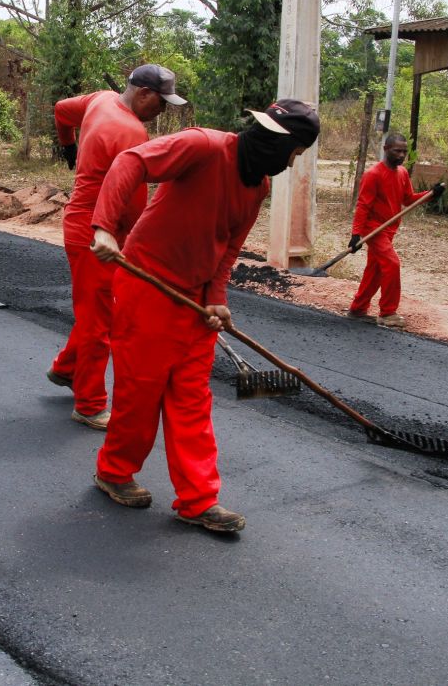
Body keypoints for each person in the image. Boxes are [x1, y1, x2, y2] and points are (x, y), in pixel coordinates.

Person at [90, 100, 320, 533]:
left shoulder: (258, 187)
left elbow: (229, 245)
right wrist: (104, 225)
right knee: (142, 393)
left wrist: (216, 297)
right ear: (280, 142)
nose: (292, 164)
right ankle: (114, 472)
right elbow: (130, 161)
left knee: (191, 399)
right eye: (295, 153)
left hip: (194, 298)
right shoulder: (204, 146)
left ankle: (198, 499)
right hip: (147, 283)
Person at [47, 64, 179, 430]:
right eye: (162, 103)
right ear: (144, 94)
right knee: (99, 323)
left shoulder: (100, 99)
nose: (162, 112)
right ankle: (88, 403)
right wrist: (143, 248)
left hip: (80, 224)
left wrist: (67, 146)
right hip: (97, 233)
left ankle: (65, 368)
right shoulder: (130, 132)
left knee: (95, 308)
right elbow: (133, 205)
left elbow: (61, 111)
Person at [346, 133, 444, 328]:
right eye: (397, 151)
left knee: (375, 270)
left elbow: (408, 199)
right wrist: (356, 234)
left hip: (389, 228)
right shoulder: (373, 174)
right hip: (374, 229)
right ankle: (388, 312)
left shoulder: (402, 173)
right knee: (392, 264)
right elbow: (363, 206)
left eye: (404, 152)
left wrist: (431, 194)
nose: (401, 155)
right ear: (386, 149)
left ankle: (357, 309)